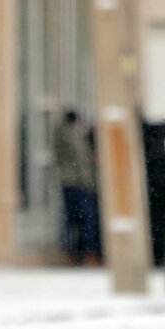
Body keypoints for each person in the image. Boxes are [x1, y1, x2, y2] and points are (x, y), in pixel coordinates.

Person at [53, 110, 100, 265]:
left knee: (74, 219)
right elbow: (80, 161)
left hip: (73, 182)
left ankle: (75, 253)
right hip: (77, 183)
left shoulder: (67, 134)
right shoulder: (71, 135)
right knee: (84, 218)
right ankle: (85, 254)